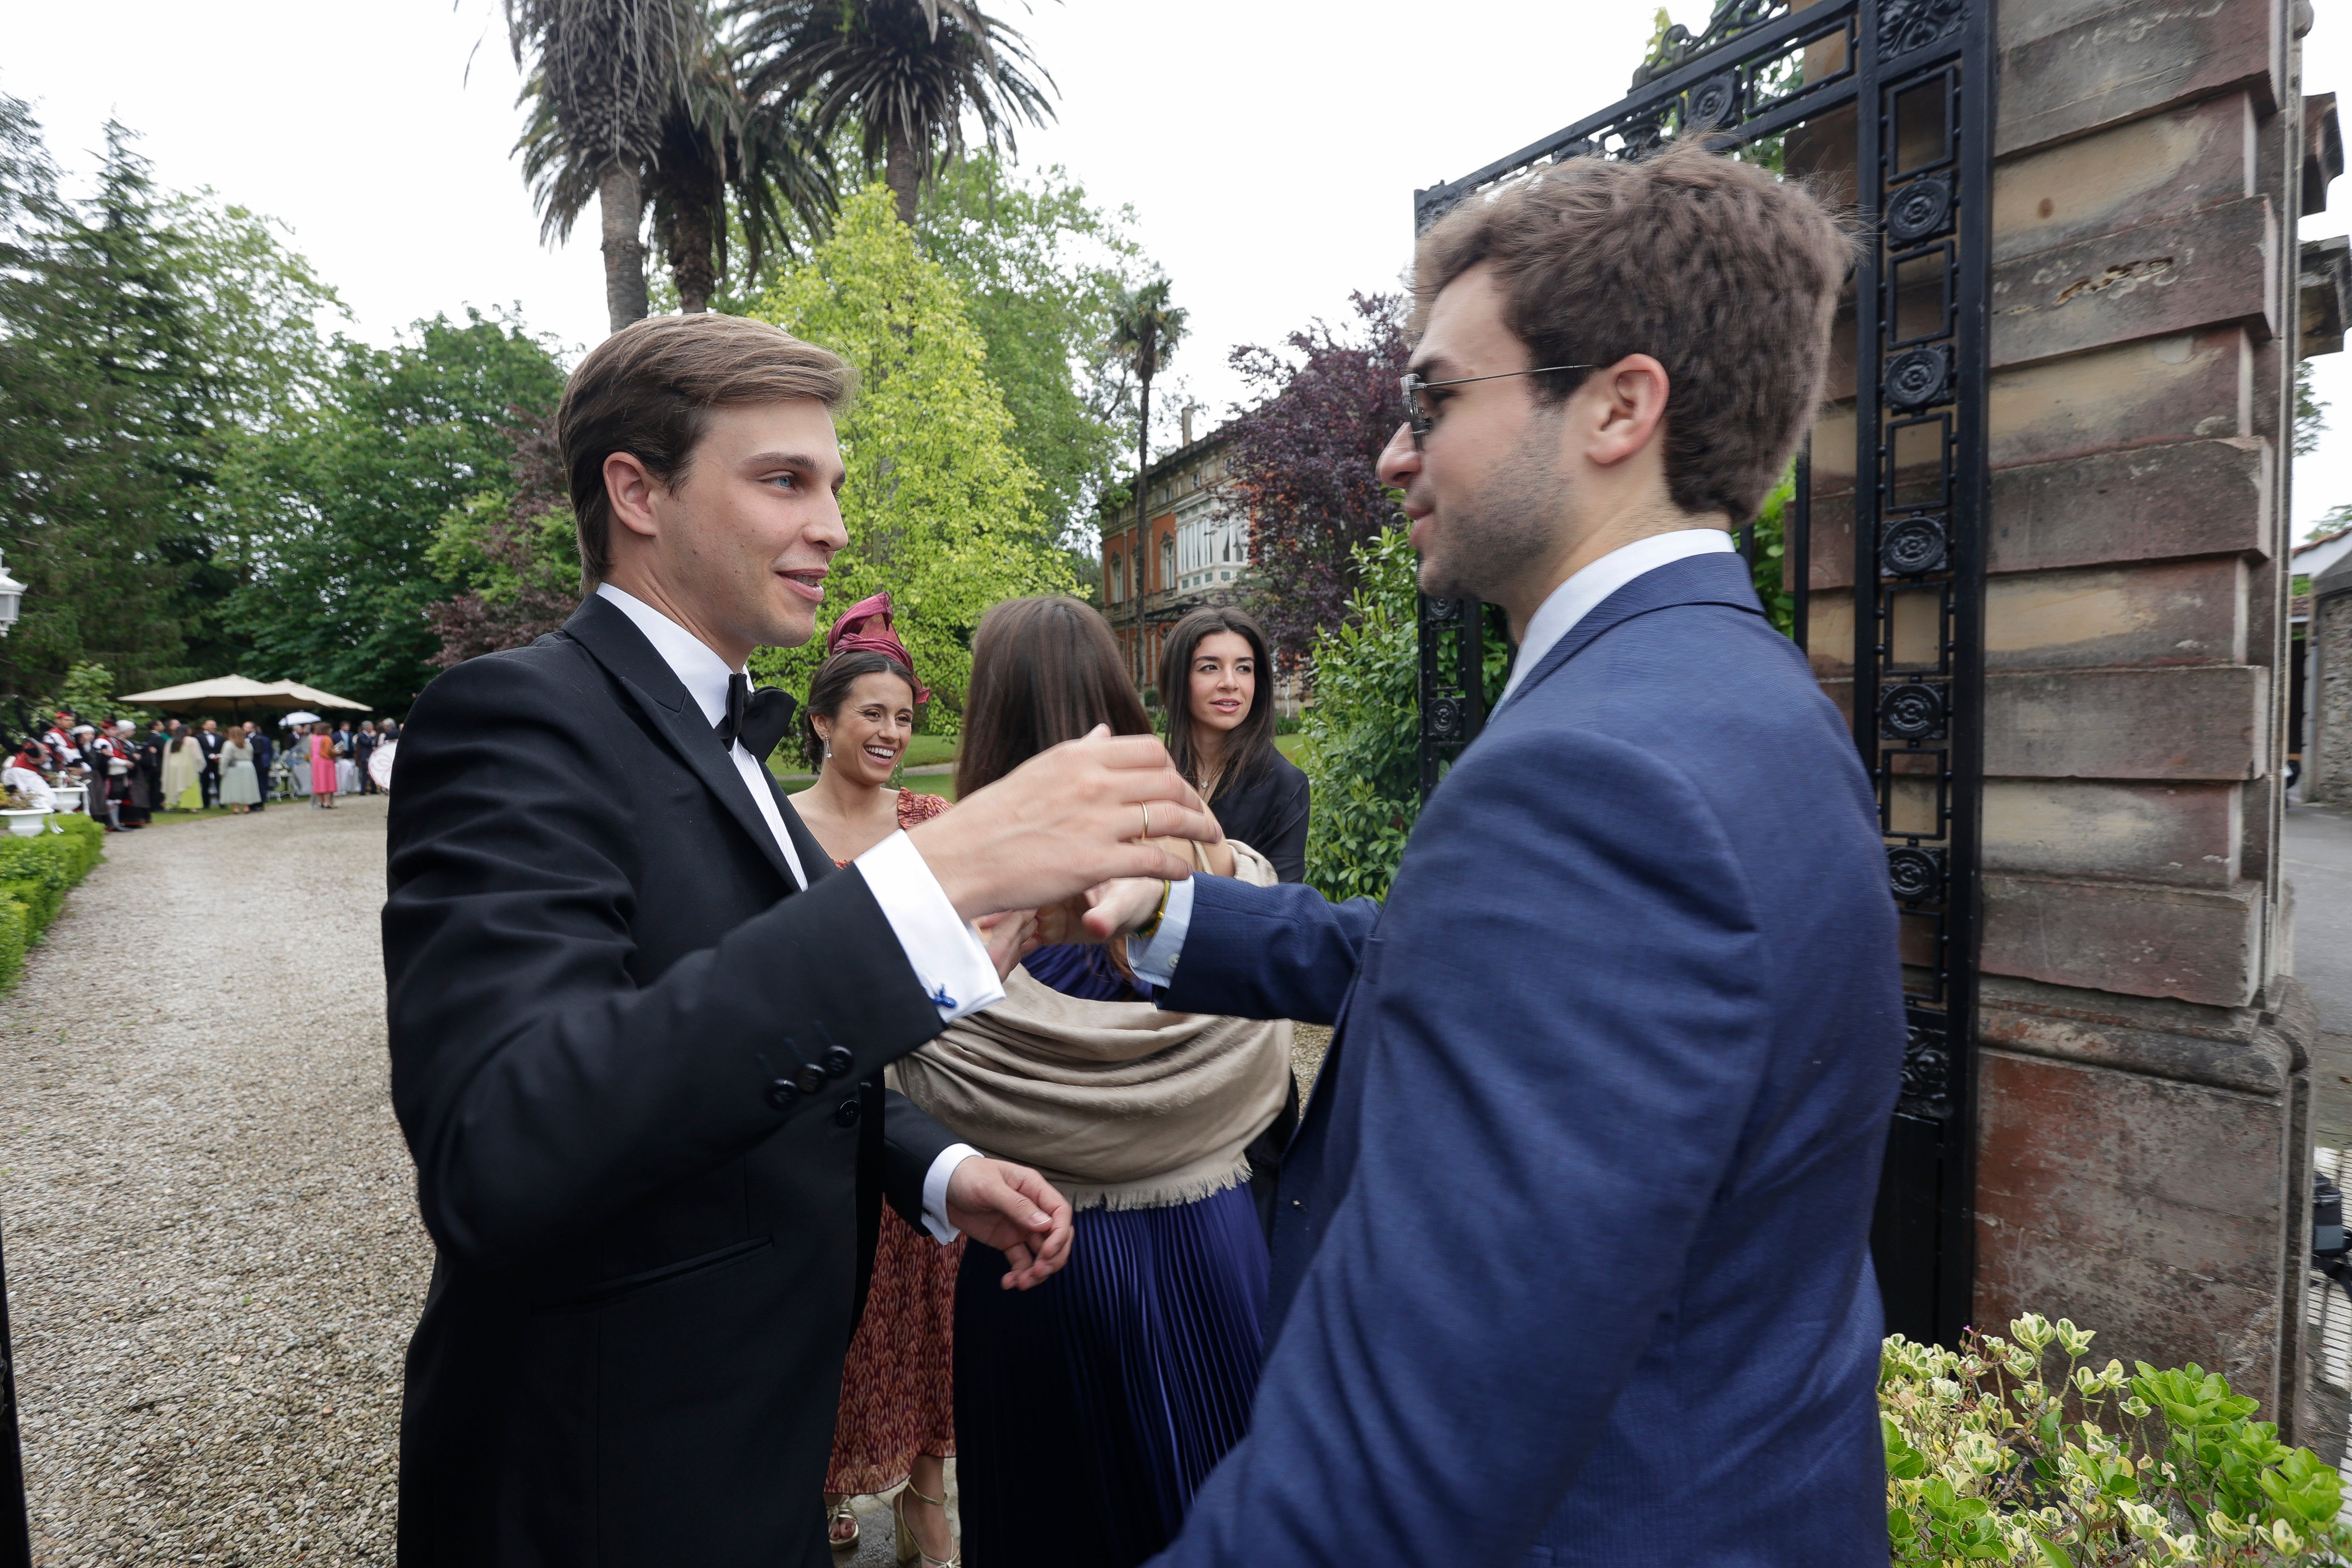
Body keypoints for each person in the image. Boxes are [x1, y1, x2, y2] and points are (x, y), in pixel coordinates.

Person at [1069, 142, 1902, 1566]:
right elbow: (1450, 955)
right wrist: (1171, 915)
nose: (1395, 450)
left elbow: (1388, 1481)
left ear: (1618, 407)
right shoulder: (1733, 697)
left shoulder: (1600, 774)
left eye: (1435, 398)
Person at [379, 312, 1218, 1568]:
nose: (829, 523)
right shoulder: (512, 719)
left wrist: (932, 1168)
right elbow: (504, 1140)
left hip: (755, 1456)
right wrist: (931, 878)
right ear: (636, 492)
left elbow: (749, 1045)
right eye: (784, 480)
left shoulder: (733, 754)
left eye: (833, 484)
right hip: (603, 1486)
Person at [892, 595, 1292, 1568]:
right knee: (1215, 1496)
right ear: (1118, 686)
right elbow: (1265, 998)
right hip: (1209, 1222)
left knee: (1055, 1516)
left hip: (1037, 1238)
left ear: (987, 708)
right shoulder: (1200, 849)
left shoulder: (965, 884)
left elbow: (909, 1057)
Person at [785, 604, 960, 1564]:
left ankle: (928, 1491)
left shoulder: (934, 822)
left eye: (903, 716)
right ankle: (821, 1476)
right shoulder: (776, 827)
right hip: (817, 1092)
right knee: (829, 1296)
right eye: (871, 716)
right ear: (821, 722)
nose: (892, 734)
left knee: (933, 1292)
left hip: (926, 1083)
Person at [1155, 606, 1309, 883]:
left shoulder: (1284, 785)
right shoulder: (1153, 772)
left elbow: (1286, 906)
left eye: (1243, 668)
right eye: (1210, 667)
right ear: (1177, 678)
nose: (1230, 683)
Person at [218, 727, 261, 814]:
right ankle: (246, 807)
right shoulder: (248, 744)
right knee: (247, 786)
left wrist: (222, 771)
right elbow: (252, 756)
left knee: (234, 787)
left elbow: (225, 759)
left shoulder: (229, 744)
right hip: (248, 766)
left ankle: (236, 808)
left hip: (235, 766)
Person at [160, 731, 202, 811]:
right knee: (190, 785)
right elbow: (197, 755)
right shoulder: (192, 740)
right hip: (188, 767)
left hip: (173, 767)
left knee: (175, 784)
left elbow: (166, 756)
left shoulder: (171, 741)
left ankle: (180, 806)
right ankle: (192, 807)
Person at [245, 722, 274, 812]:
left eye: (246, 727)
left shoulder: (258, 739)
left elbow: (259, 752)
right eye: (244, 727)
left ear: (253, 729)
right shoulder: (246, 739)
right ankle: (253, 803)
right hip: (253, 765)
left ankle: (260, 803)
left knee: (260, 784)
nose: (244, 729)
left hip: (258, 765)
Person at [195, 718, 224, 808]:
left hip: (217, 762)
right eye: (211, 724)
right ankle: (206, 804)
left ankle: (222, 803)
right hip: (205, 762)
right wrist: (210, 756)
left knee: (220, 783)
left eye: (214, 725)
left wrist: (219, 756)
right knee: (205, 783)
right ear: (204, 726)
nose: (213, 726)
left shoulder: (221, 737)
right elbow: (199, 749)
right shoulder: (198, 737)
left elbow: (223, 749)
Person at [308, 723, 338, 808]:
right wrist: (337, 752)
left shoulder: (314, 738)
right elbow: (329, 751)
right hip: (326, 761)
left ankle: (321, 802)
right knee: (328, 782)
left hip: (316, 762)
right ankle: (328, 802)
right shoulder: (327, 738)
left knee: (319, 782)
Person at [353, 720, 380, 794]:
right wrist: (371, 737)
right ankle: (363, 790)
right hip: (365, 756)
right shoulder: (361, 735)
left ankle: (374, 790)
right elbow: (367, 743)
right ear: (366, 727)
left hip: (372, 756)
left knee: (372, 773)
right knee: (365, 774)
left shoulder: (372, 735)